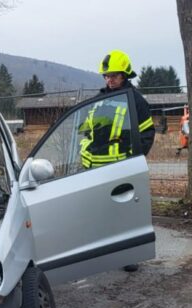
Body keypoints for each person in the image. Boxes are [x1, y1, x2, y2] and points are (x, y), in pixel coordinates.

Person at [80, 49, 155, 272]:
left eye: (114, 75)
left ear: (125, 75)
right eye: (106, 75)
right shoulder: (97, 101)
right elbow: (85, 132)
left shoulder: (136, 101)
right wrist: (85, 152)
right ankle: (100, 253)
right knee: (98, 213)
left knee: (124, 215)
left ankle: (127, 256)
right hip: (94, 169)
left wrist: (133, 161)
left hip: (121, 168)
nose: (109, 79)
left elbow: (146, 134)